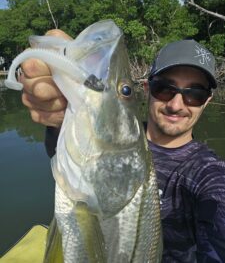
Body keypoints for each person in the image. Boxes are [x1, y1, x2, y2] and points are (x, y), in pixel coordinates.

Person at [20, 30, 225, 262]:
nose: (176, 104)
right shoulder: (117, 135)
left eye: (194, 94)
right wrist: (58, 116)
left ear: (207, 101)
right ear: (147, 88)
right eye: (165, 88)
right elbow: (67, 153)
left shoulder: (209, 173)